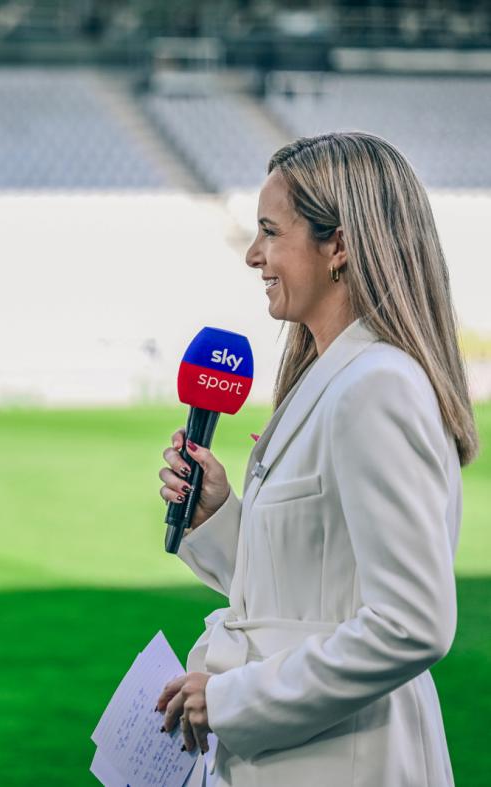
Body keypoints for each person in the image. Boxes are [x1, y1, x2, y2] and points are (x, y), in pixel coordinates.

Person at [154, 132, 478, 785]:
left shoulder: (375, 386)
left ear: (340, 247)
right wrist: (220, 517)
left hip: (343, 762)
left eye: (271, 232)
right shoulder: (337, 379)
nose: (253, 255)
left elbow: (411, 623)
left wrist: (230, 698)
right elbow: (315, 580)